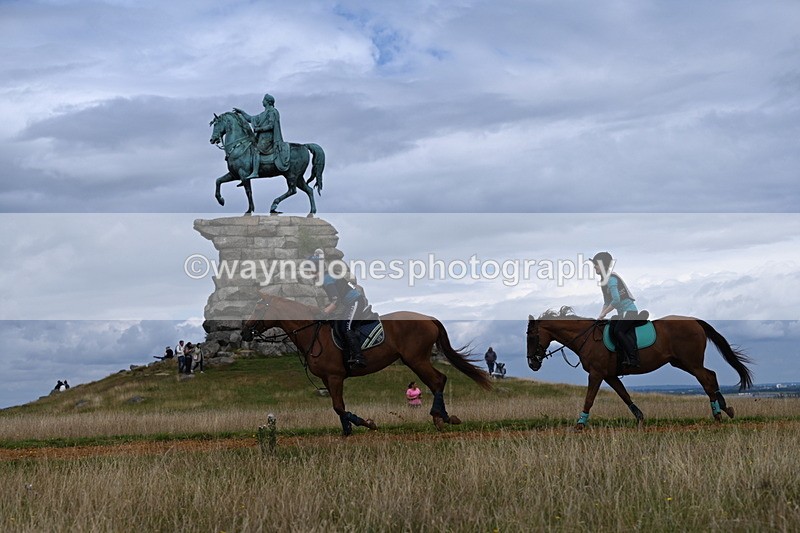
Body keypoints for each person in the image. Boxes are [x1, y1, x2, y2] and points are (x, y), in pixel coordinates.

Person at [310, 249, 369, 368]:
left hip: (355, 302)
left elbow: (335, 301)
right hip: (349, 304)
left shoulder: (326, 279)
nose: (310, 275)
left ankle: (359, 358)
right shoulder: (326, 277)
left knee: (347, 327)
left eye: (311, 271)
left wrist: (324, 313)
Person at [592, 251, 640, 367]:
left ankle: (633, 359)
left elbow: (616, 300)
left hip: (629, 312)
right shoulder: (604, 282)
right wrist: (600, 316)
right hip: (622, 313)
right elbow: (607, 302)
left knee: (619, 331)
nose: (594, 267)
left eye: (596, 265)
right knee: (611, 328)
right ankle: (620, 357)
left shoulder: (611, 279)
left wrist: (604, 314)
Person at [233, 93, 290, 180]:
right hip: (261, 138)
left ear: (268, 102)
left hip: (268, 139)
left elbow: (271, 126)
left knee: (256, 150)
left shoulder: (272, 112)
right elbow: (250, 118)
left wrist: (259, 129)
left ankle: (255, 172)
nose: (262, 101)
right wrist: (242, 112)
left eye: (263, 100)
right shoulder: (264, 113)